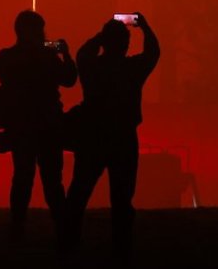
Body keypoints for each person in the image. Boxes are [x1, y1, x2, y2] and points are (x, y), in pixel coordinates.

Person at [63, 13, 159, 264]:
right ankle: (122, 248)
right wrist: (144, 27)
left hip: (93, 135)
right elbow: (153, 53)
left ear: (105, 43)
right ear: (126, 45)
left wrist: (100, 35)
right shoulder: (131, 70)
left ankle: (68, 241)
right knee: (122, 198)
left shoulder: (92, 68)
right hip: (124, 137)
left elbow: (83, 53)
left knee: (79, 191)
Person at [0, 10, 76, 243]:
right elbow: (69, 79)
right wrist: (64, 54)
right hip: (48, 126)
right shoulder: (47, 56)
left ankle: (17, 227)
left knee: (21, 178)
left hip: (22, 126)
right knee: (52, 182)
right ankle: (62, 230)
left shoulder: (7, 57)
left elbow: (6, 80)